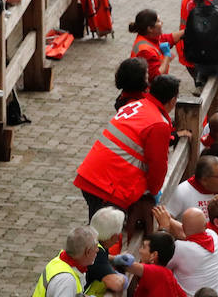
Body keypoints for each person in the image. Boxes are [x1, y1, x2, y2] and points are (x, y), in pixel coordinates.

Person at [74, 75, 181, 217]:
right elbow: (158, 166)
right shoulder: (158, 124)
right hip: (109, 186)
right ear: (173, 100)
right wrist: (153, 192)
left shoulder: (135, 105)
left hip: (93, 176)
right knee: (107, 234)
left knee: (99, 229)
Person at [23, 227, 98, 297]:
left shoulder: (62, 260)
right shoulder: (66, 280)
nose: (97, 250)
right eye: (96, 247)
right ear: (87, 252)